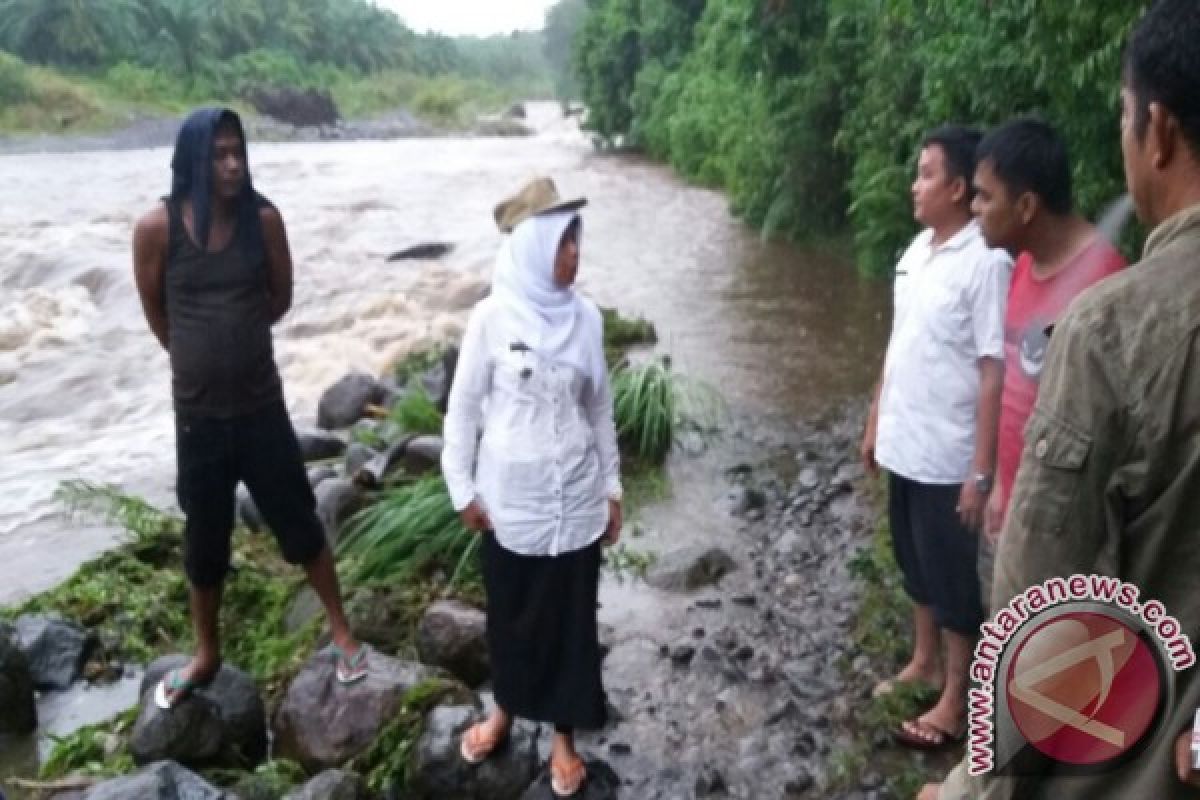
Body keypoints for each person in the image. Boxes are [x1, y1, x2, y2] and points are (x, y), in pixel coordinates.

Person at [922, 1, 1200, 797]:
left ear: (1158, 129)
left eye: (1122, 113)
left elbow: (1042, 633)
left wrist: (971, 789)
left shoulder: (1113, 325)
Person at [132, 108, 366, 709]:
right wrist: (198, 351)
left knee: (299, 521)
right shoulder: (157, 228)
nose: (233, 164)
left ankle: (342, 631)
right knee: (205, 540)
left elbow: (280, 297)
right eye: (219, 154)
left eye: (238, 152)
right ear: (193, 161)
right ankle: (207, 652)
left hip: (261, 408)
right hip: (199, 418)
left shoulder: (263, 220)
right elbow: (160, 315)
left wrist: (236, 336)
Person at [441, 177, 622, 797]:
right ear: (535, 248)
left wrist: (613, 488)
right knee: (511, 617)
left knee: (572, 621)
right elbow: (463, 411)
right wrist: (460, 488)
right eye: (564, 243)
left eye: (577, 242)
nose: (575, 255)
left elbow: (598, 410)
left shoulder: (588, 321)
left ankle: (563, 738)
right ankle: (506, 710)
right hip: (508, 506)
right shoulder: (491, 319)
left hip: (575, 501)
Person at [861, 125, 1012, 749]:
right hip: (906, 441)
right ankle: (922, 661)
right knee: (914, 561)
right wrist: (875, 420)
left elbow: (992, 371)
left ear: (956, 187)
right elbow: (899, 346)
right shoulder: (917, 251)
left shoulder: (987, 262)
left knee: (952, 578)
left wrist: (981, 473)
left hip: (949, 454)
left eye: (925, 173)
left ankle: (956, 698)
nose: (914, 184)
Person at [970, 118, 1126, 602]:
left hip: (1063, 538)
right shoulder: (1021, 266)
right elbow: (1017, 386)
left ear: (1026, 206)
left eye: (984, 197)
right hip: (1011, 510)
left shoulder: (1107, 285)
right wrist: (997, 486)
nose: (974, 210)